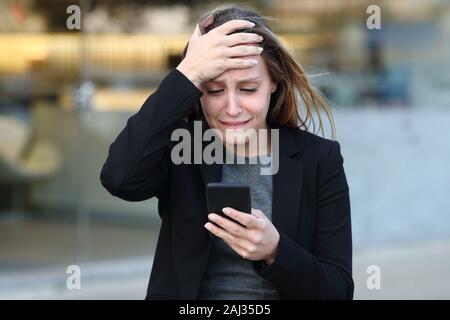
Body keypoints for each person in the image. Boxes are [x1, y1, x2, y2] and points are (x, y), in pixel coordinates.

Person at [100, 5, 353, 300]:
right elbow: (118, 177)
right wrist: (187, 72)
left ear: (273, 82)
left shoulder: (319, 159)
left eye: (248, 89)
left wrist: (275, 250)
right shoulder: (183, 146)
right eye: (215, 90)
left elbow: (338, 290)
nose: (232, 109)